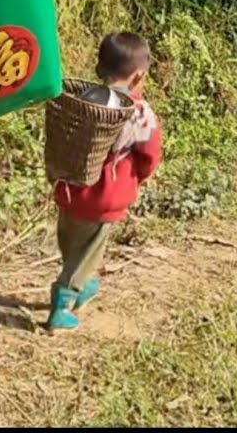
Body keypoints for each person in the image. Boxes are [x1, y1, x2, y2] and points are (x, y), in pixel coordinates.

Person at [48, 32, 163, 331]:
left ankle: (81, 282)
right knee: (90, 248)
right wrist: (139, 177)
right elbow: (150, 154)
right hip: (104, 196)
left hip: (70, 188)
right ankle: (62, 303)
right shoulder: (138, 112)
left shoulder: (84, 99)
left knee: (74, 242)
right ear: (138, 76)